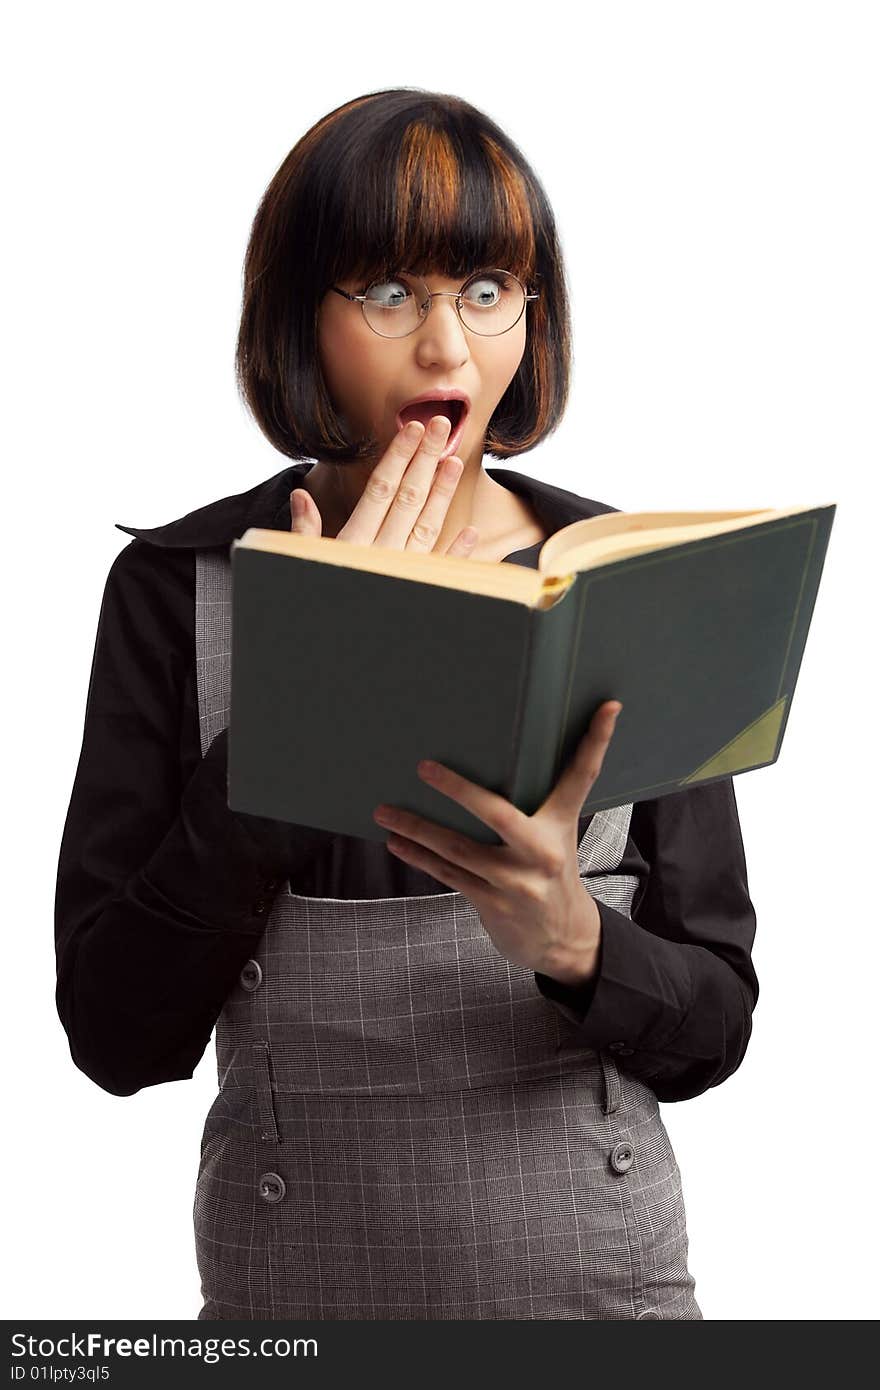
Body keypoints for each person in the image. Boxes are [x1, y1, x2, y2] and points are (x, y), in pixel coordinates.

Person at [54, 88, 758, 1321]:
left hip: (601, 1291)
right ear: (296, 319)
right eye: (387, 292)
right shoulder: (178, 593)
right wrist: (298, 715)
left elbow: (716, 1029)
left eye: (486, 290)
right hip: (296, 1297)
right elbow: (116, 1039)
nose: (448, 351)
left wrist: (574, 942)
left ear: (530, 316)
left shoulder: (627, 579)